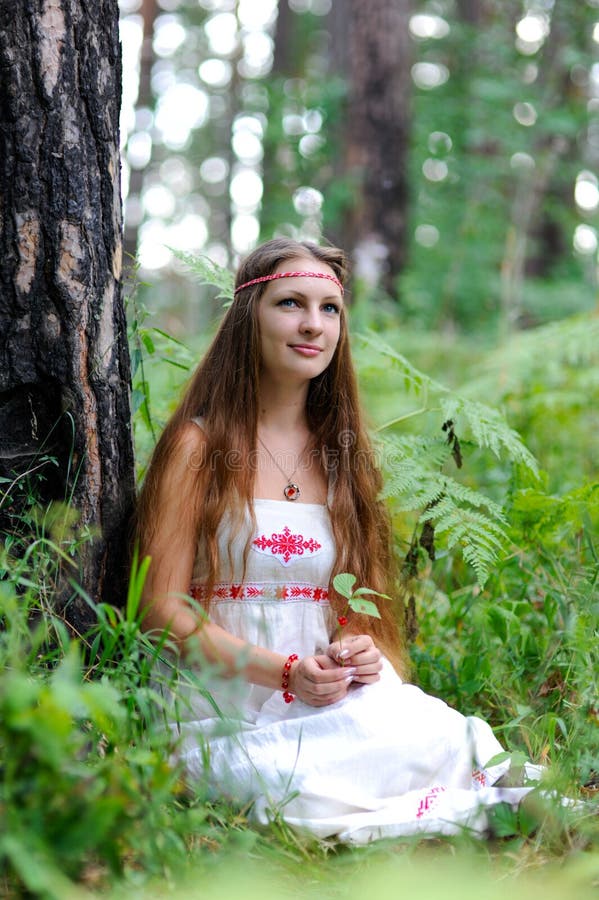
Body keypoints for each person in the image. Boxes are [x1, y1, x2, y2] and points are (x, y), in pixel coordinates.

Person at [135, 237, 538, 843]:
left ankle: (526, 806)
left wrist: (357, 649)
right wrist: (284, 673)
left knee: (441, 734)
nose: (312, 325)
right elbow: (158, 611)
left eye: (330, 309)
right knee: (300, 774)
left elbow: (351, 603)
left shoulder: (341, 453)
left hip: (328, 695)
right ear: (250, 315)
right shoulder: (199, 445)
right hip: (222, 703)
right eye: (291, 303)